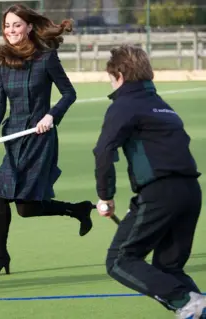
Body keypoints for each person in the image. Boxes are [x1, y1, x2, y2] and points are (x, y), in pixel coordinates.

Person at [0, 3, 95, 277]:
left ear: (28, 27)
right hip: (14, 137)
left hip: (41, 138)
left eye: (16, 25)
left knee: (20, 205)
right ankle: (75, 211)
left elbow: (69, 93)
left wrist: (51, 115)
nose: (11, 30)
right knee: (7, 199)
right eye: (7, 26)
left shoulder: (46, 58)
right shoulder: (2, 61)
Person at [93, 45, 205, 319]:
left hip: (161, 192)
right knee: (168, 267)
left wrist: (105, 196)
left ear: (119, 74)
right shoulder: (162, 106)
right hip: (190, 191)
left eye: (111, 77)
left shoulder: (124, 105)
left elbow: (104, 151)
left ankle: (188, 301)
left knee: (120, 260)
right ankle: (195, 305)